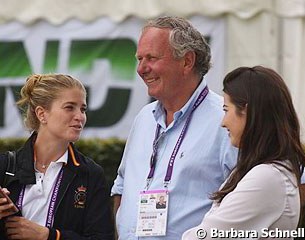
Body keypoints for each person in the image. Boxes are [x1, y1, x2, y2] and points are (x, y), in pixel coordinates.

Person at [111, 16, 237, 239]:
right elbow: (121, 186)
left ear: (187, 61)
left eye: (151, 58)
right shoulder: (144, 118)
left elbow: (257, 198)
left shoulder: (226, 119)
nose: (141, 69)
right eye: (139, 59)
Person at [182, 66, 305, 240]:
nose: (223, 123)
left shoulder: (268, 177)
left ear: (246, 110)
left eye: (226, 110)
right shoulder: (262, 171)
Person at [0, 74, 114, 240]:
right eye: (69, 107)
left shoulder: (90, 174)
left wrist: (50, 236)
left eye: (83, 109)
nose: (79, 116)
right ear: (41, 114)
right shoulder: (5, 166)